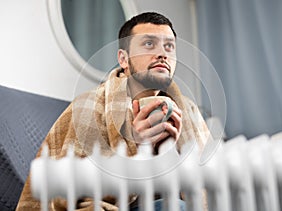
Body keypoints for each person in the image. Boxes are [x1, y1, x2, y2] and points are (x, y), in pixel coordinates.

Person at [17, 12, 210, 211]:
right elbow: (67, 198)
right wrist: (137, 150)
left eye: (169, 46)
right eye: (149, 44)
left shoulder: (190, 112)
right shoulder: (88, 107)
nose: (162, 54)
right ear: (124, 59)